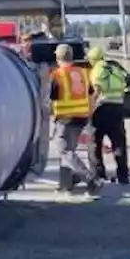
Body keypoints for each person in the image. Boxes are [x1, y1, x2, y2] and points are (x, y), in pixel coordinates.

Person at [48, 44, 101, 194]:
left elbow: (52, 99)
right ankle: (66, 183)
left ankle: (90, 178)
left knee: (64, 150)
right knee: (69, 151)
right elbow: (91, 94)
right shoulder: (84, 73)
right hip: (81, 118)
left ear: (58, 58)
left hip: (65, 118)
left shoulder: (57, 75)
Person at [86, 46, 129, 184]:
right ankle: (123, 175)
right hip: (117, 108)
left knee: (95, 143)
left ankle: (99, 174)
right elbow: (123, 86)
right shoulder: (114, 68)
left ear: (93, 59)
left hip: (102, 108)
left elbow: (97, 89)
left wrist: (90, 107)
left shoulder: (97, 70)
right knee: (119, 143)